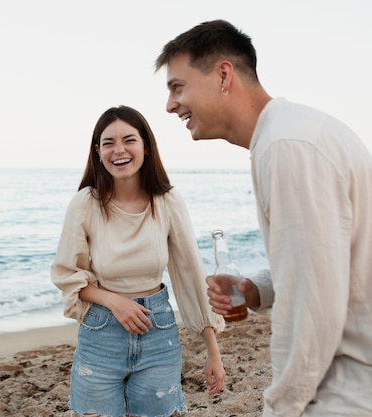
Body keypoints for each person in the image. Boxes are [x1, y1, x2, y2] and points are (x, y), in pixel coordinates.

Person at [156, 19, 372, 416]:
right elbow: (326, 261)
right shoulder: (290, 134)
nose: (170, 104)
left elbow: (314, 305)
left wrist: (281, 406)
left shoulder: (287, 146)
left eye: (177, 87)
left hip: (347, 386)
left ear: (223, 75)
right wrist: (255, 289)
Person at [50, 105, 225, 417]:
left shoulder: (168, 201)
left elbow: (190, 274)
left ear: (146, 145)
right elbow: (68, 274)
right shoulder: (85, 204)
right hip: (101, 333)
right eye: (108, 143)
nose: (119, 150)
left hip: (157, 333)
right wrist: (115, 302)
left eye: (129, 140)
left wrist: (213, 351)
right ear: (98, 151)